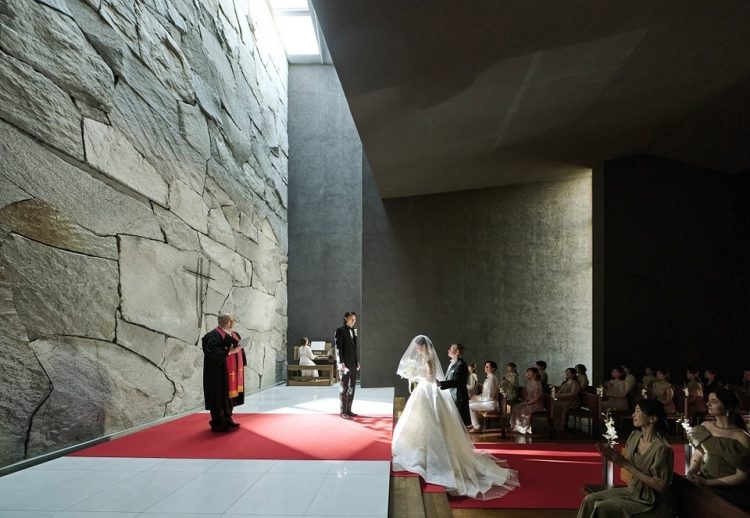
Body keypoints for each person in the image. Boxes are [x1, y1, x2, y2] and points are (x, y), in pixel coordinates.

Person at [392, 335, 520, 499]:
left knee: (430, 422)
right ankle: (422, 451)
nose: (416, 348)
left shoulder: (432, 358)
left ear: (422, 346)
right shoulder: (432, 358)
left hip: (429, 391)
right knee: (422, 422)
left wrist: (416, 376)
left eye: (417, 346)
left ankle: (434, 456)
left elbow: (431, 376)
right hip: (427, 391)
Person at [577, 399, 675, 518]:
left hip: (650, 501)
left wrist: (626, 465)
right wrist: (612, 456)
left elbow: (660, 486)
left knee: (602, 507)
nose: (633, 415)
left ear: (653, 418)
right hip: (632, 491)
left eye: (638, 411)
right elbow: (626, 461)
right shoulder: (634, 436)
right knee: (589, 499)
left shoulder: (662, 449)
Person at [686, 388, 750, 511]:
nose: (708, 404)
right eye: (708, 400)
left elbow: (742, 476)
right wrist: (692, 471)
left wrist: (707, 483)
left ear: (727, 407)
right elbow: (698, 454)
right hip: (703, 485)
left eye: (714, 401)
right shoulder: (705, 427)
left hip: (728, 492)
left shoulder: (741, 437)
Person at [202, 313, 246, 432]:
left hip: (233, 372)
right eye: (229, 321)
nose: (232, 323)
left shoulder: (235, 334)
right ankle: (218, 423)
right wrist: (229, 352)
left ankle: (228, 419)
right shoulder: (211, 336)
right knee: (219, 397)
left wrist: (241, 364)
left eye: (233, 320)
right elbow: (211, 354)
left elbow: (240, 351)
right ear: (221, 322)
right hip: (218, 374)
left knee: (229, 397)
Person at [438, 343, 471, 426]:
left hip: (458, 397)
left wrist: (441, 384)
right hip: (452, 397)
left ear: (457, 352)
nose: (448, 350)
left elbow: (458, 381)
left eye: (451, 349)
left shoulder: (461, 364)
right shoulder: (454, 363)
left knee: (459, 424)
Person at [334, 311, 359, 419]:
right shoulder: (340, 330)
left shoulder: (353, 330)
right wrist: (341, 363)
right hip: (344, 365)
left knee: (352, 387)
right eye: (351, 319)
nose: (353, 321)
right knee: (344, 388)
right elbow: (338, 348)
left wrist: (357, 361)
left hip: (353, 363)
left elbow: (354, 348)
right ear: (345, 318)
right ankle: (343, 411)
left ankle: (349, 410)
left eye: (354, 319)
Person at [468, 360, 500, 433]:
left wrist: (478, 398)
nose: (485, 368)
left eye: (487, 367)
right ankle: (474, 424)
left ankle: (477, 427)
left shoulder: (492, 379)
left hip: (491, 403)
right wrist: (476, 397)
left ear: (493, 369)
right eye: (485, 366)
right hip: (488, 401)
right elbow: (485, 394)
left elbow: (489, 396)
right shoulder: (489, 379)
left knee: (470, 406)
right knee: (469, 402)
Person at [510, 367, 544, 434]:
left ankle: (524, 428)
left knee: (523, 409)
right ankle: (516, 427)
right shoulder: (530, 383)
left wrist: (528, 403)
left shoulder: (537, 384)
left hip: (537, 404)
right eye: (527, 373)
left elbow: (537, 398)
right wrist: (525, 402)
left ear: (535, 374)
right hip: (530, 402)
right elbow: (528, 396)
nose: (527, 374)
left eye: (529, 373)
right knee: (516, 407)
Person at [552, 367, 581, 432]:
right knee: (553, 403)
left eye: (569, 373)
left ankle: (559, 426)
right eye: (566, 373)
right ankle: (554, 424)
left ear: (573, 374)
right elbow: (560, 390)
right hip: (565, 399)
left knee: (557, 405)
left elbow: (573, 394)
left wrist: (560, 396)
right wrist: (556, 394)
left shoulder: (574, 383)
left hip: (572, 401)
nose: (567, 374)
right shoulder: (566, 382)